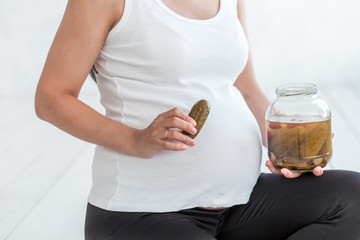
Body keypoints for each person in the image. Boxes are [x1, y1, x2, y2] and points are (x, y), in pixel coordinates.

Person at [34, 0, 360, 239]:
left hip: (238, 203)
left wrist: (286, 146)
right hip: (142, 214)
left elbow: (246, 91)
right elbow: (51, 98)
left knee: (353, 197)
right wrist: (135, 140)